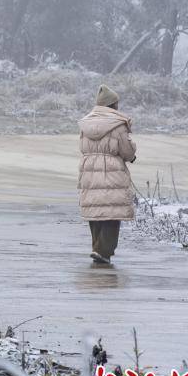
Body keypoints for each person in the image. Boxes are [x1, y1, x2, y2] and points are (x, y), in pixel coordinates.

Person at [77, 84, 137, 264]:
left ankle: (97, 247)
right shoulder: (118, 125)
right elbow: (126, 151)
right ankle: (104, 251)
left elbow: (82, 148)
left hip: (89, 168)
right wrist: (133, 152)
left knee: (95, 210)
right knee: (112, 212)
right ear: (112, 105)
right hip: (111, 169)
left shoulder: (85, 124)